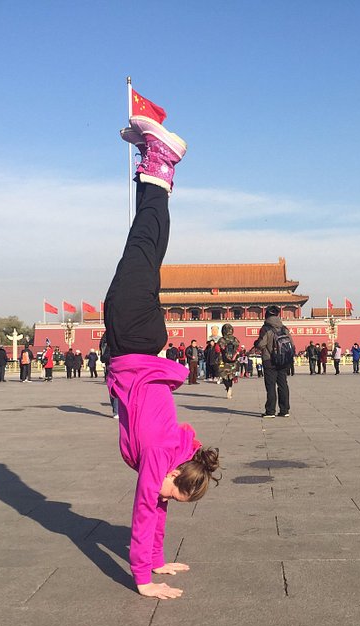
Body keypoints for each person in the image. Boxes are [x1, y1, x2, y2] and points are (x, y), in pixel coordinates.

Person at [103, 111, 220, 599]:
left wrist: (159, 560)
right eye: (174, 491)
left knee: (145, 249)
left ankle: (152, 167)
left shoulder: (174, 454)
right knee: (143, 244)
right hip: (132, 339)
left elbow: (158, 509)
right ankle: (162, 161)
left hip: (138, 343)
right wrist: (144, 579)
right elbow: (143, 511)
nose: (166, 497)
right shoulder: (159, 453)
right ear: (176, 472)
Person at [255, 305, 295, 417]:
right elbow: (291, 344)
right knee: (283, 385)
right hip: (283, 361)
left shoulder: (266, 329)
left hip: (269, 361)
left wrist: (256, 343)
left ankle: (270, 411)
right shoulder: (284, 328)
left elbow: (261, 344)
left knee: (270, 386)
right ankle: (284, 410)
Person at [217, 324, 240, 398]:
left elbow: (217, 350)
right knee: (231, 376)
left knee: (224, 376)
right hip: (233, 361)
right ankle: (230, 388)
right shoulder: (235, 339)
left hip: (223, 360)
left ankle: (228, 388)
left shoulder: (221, 339)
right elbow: (238, 349)